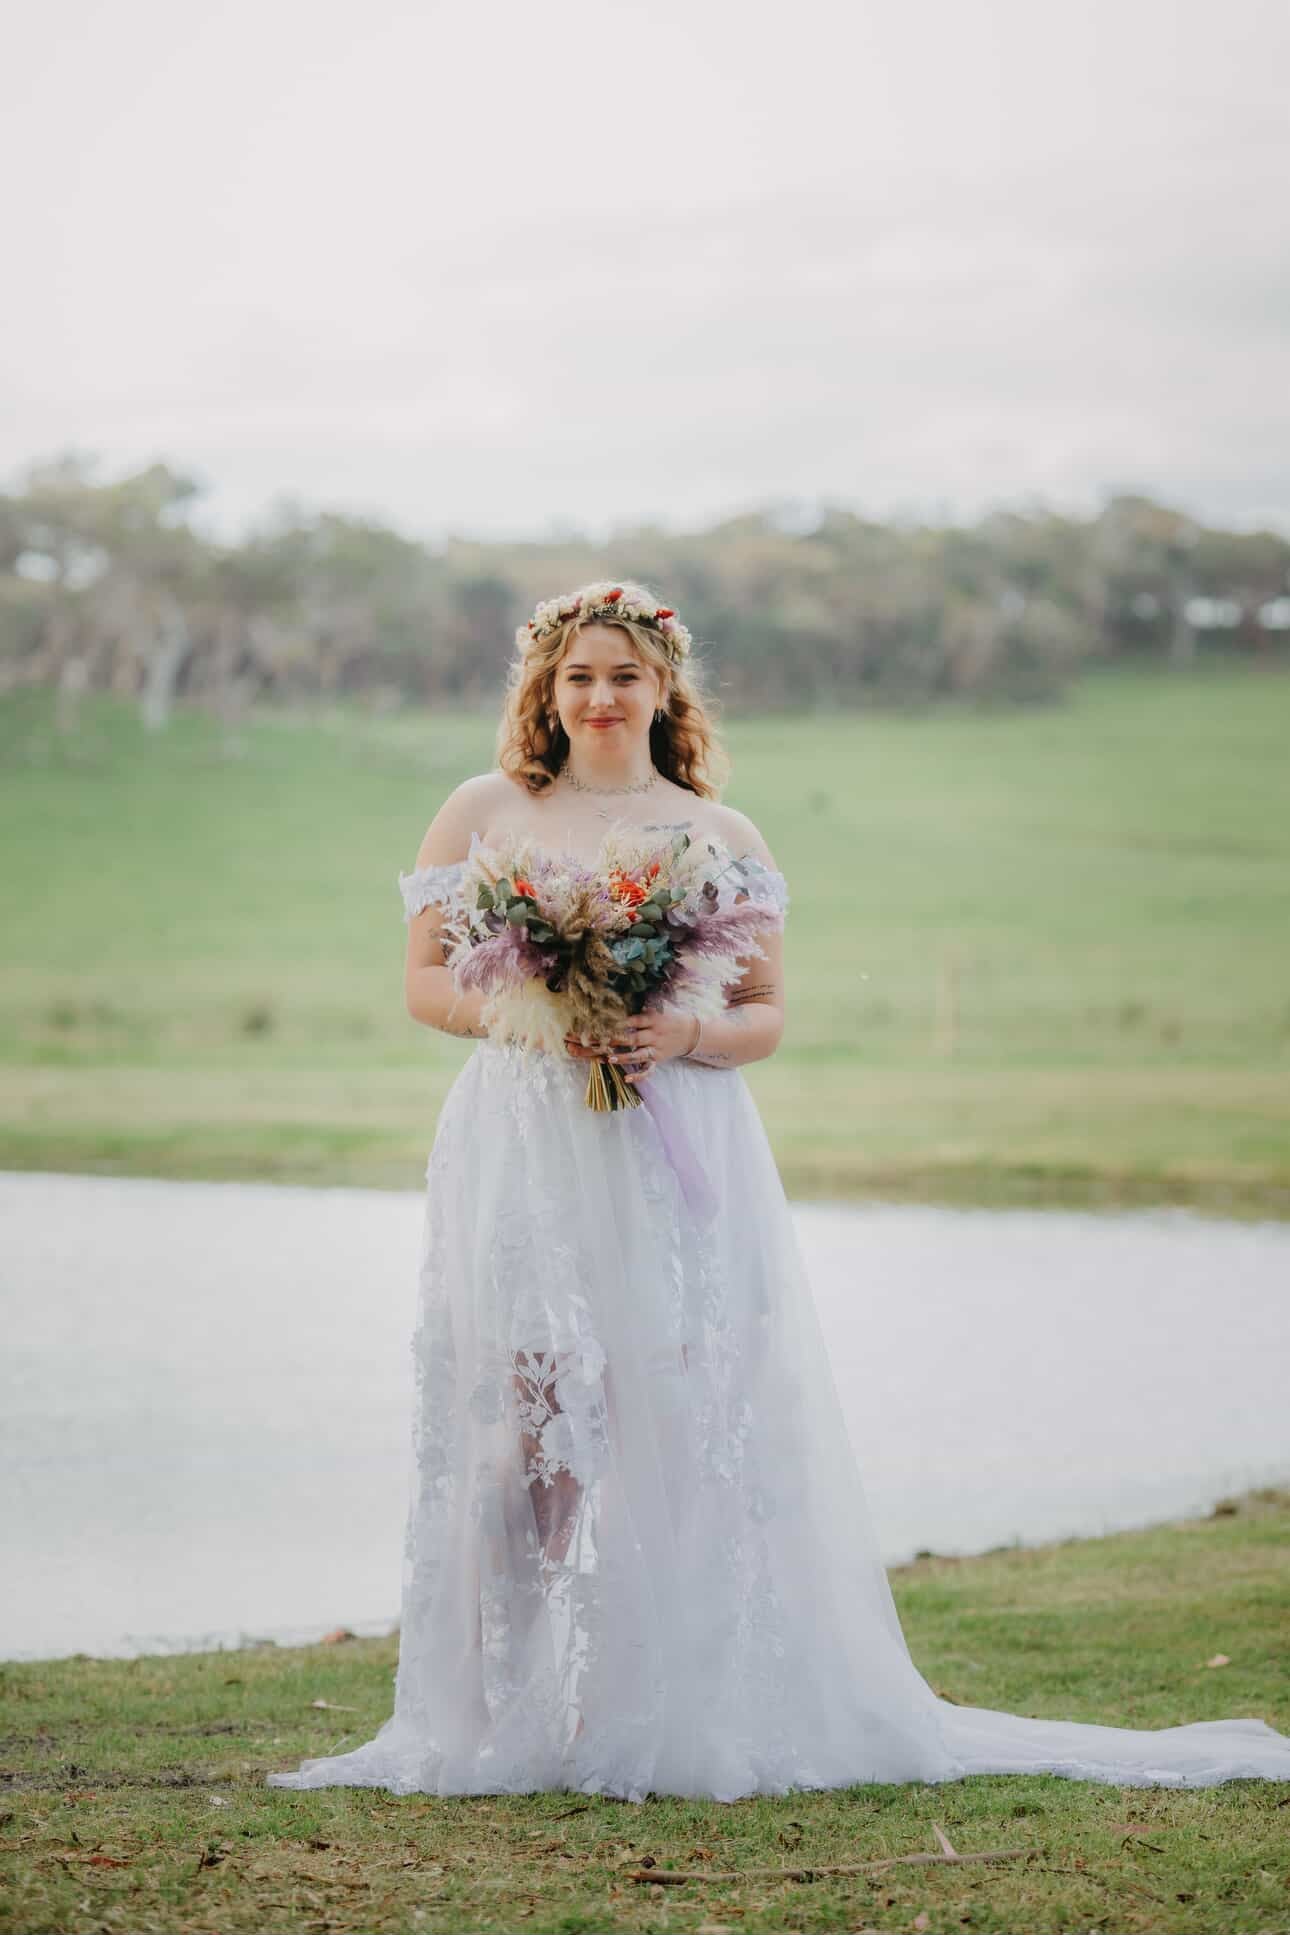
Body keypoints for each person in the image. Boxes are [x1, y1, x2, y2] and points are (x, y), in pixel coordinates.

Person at [268, 580, 1290, 1802]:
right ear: (544, 688)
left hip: (671, 1150)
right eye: (578, 677)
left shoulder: (722, 833)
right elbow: (429, 987)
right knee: (520, 1444)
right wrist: (545, 1018)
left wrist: (675, 1038)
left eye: (623, 676)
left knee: (677, 1425)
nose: (600, 697)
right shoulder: (485, 810)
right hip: (528, 1149)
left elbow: (762, 1014)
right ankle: (491, 1722)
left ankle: (671, 1713)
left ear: (663, 690)